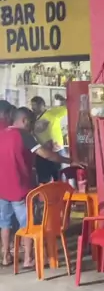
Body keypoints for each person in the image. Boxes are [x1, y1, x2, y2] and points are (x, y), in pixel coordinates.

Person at [0, 107, 75, 268]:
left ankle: (5, 256)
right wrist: (69, 161)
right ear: (25, 120)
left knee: (5, 223)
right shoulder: (24, 135)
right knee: (28, 224)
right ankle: (28, 259)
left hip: (2, 189)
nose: (32, 127)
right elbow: (46, 154)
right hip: (21, 189)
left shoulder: (2, 134)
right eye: (31, 123)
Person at [30, 96, 59, 184]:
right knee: (43, 179)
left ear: (42, 105)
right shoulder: (34, 118)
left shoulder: (49, 115)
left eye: (35, 106)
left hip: (53, 149)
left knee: (57, 177)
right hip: (40, 151)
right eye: (32, 106)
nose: (33, 108)